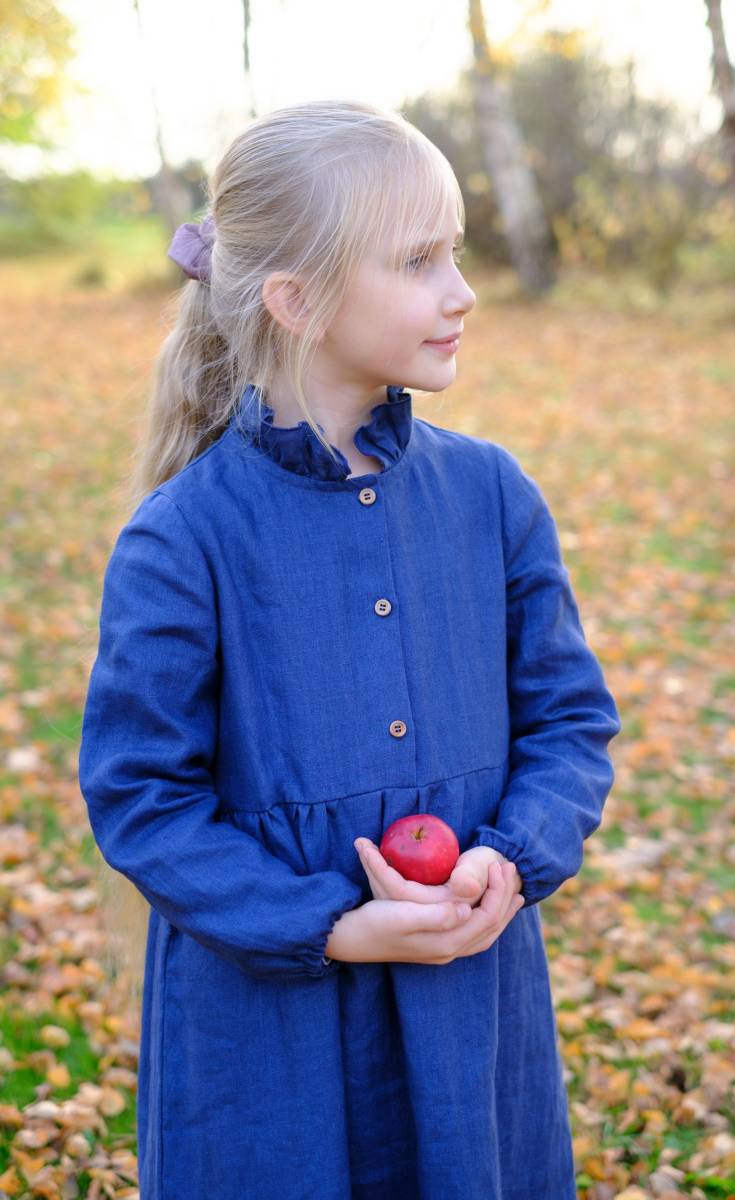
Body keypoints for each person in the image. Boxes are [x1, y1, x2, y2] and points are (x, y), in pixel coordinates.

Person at [78, 98, 622, 1200]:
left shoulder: (490, 497)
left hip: (467, 1003)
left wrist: (509, 857)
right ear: (295, 299)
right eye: (419, 260)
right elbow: (142, 800)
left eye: (455, 253)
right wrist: (330, 926)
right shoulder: (186, 537)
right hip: (265, 1034)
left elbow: (569, 721)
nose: (461, 292)